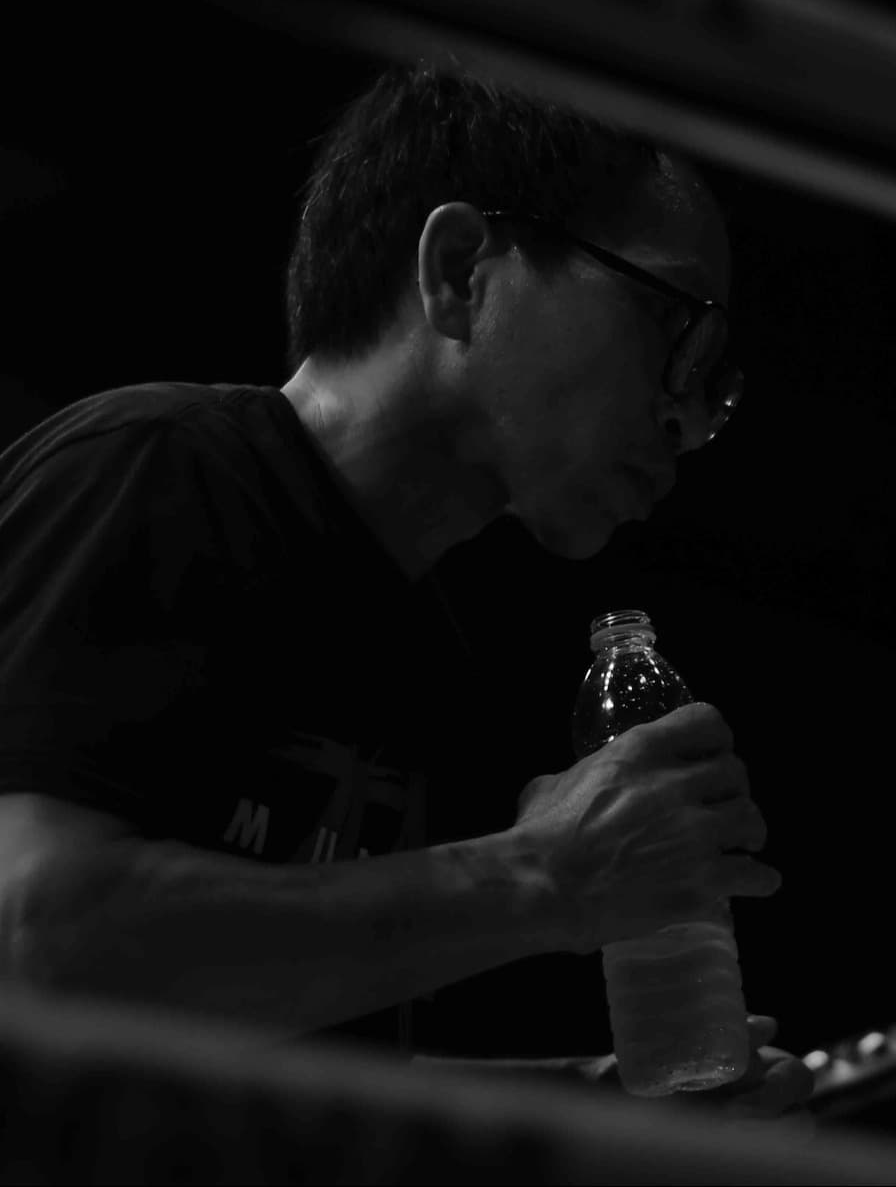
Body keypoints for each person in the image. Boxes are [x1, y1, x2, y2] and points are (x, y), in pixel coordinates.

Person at [0, 62, 811, 1124]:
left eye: (716, 385)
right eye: (675, 332)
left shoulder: (416, 632)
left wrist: (594, 1116)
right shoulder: (158, 467)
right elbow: (35, 946)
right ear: (463, 270)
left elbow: (269, 1053)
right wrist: (542, 879)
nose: (687, 416)